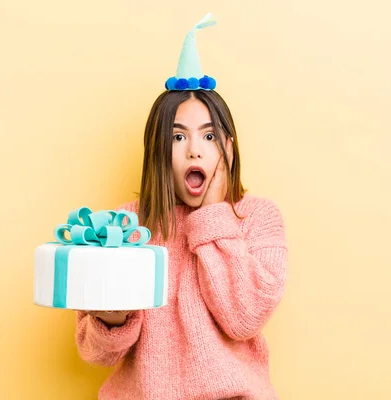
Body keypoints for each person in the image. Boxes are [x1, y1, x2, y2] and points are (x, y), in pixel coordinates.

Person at [75, 13, 287, 399]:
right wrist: (110, 319)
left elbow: (244, 318)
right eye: (177, 137)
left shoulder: (258, 219)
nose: (194, 148)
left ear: (228, 147)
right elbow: (93, 352)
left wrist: (212, 215)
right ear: (159, 150)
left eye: (209, 135)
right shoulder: (126, 225)